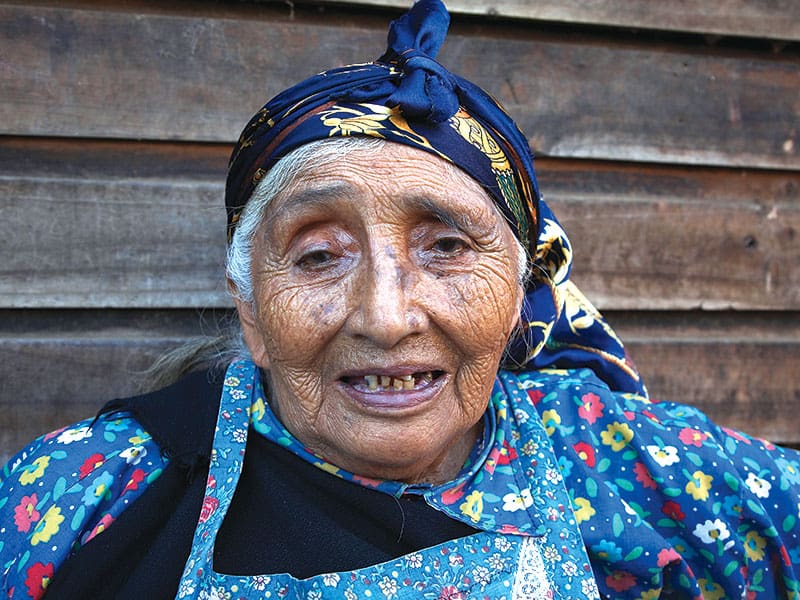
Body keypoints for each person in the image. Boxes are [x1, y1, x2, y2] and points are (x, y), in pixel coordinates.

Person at [1, 1, 798, 598]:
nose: (386, 316)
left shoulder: (619, 460)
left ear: (521, 294)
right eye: (318, 255)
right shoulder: (94, 489)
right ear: (251, 311)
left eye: (447, 246)